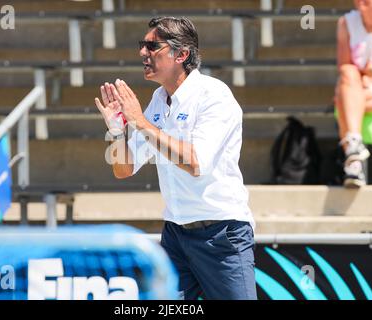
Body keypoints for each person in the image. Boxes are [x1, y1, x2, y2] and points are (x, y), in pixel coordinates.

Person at [94, 17, 256, 300]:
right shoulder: (159, 99)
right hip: (175, 235)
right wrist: (118, 129)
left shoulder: (214, 96)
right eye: (142, 45)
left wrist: (142, 123)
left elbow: (196, 162)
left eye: (152, 46)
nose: (143, 53)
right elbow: (124, 168)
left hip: (222, 233)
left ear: (182, 55)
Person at [335, 0, 372, 188]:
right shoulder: (346, 23)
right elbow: (344, 65)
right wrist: (363, 78)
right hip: (359, 88)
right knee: (347, 75)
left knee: (343, 99)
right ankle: (355, 143)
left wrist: (371, 77)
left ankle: (353, 161)